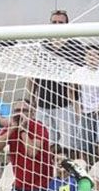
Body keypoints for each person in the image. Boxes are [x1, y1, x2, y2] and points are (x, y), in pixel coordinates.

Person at [29, 9, 85, 153]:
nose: (57, 25)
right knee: (45, 144)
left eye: (61, 22)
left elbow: (78, 78)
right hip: (43, 104)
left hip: (65, 104)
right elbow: (32, 76)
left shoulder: (75, 47)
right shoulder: (41, 46)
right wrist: (32, 99)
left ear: (67, 25)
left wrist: (76, 105)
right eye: (54, 22)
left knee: (68, 145)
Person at [72, 44, 99, 161]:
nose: (92, 57)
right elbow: (71, 90)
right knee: (83, 145)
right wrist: (77, 107)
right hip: (86, 111)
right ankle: (84, 168)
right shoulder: (79, 72)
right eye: (89, 55)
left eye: (95, 55)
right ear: (85, 57)